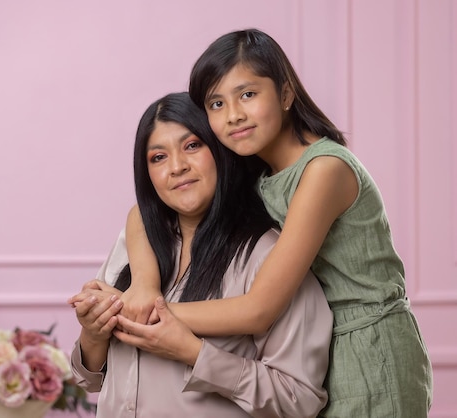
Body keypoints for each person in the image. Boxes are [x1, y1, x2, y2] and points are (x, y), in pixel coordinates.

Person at [120, 29, 433, 417]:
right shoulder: (254, 169)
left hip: (368, 347)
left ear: (285, 95)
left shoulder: (324, 170)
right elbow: (143, 213)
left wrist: (148, 311)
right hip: (313, 345)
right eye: (216, 103)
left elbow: (259, 309)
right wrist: (144, 285)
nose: (234, 114)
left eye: (247, 94)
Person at [69, 92, 332, 417]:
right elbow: (89, 379)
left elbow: (299, 400)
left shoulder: (269, 256)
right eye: (158, 157)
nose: (177, 167)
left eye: (192, 146)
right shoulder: (133, 245)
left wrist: (194, 353)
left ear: (222, 151)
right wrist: (93, 334)